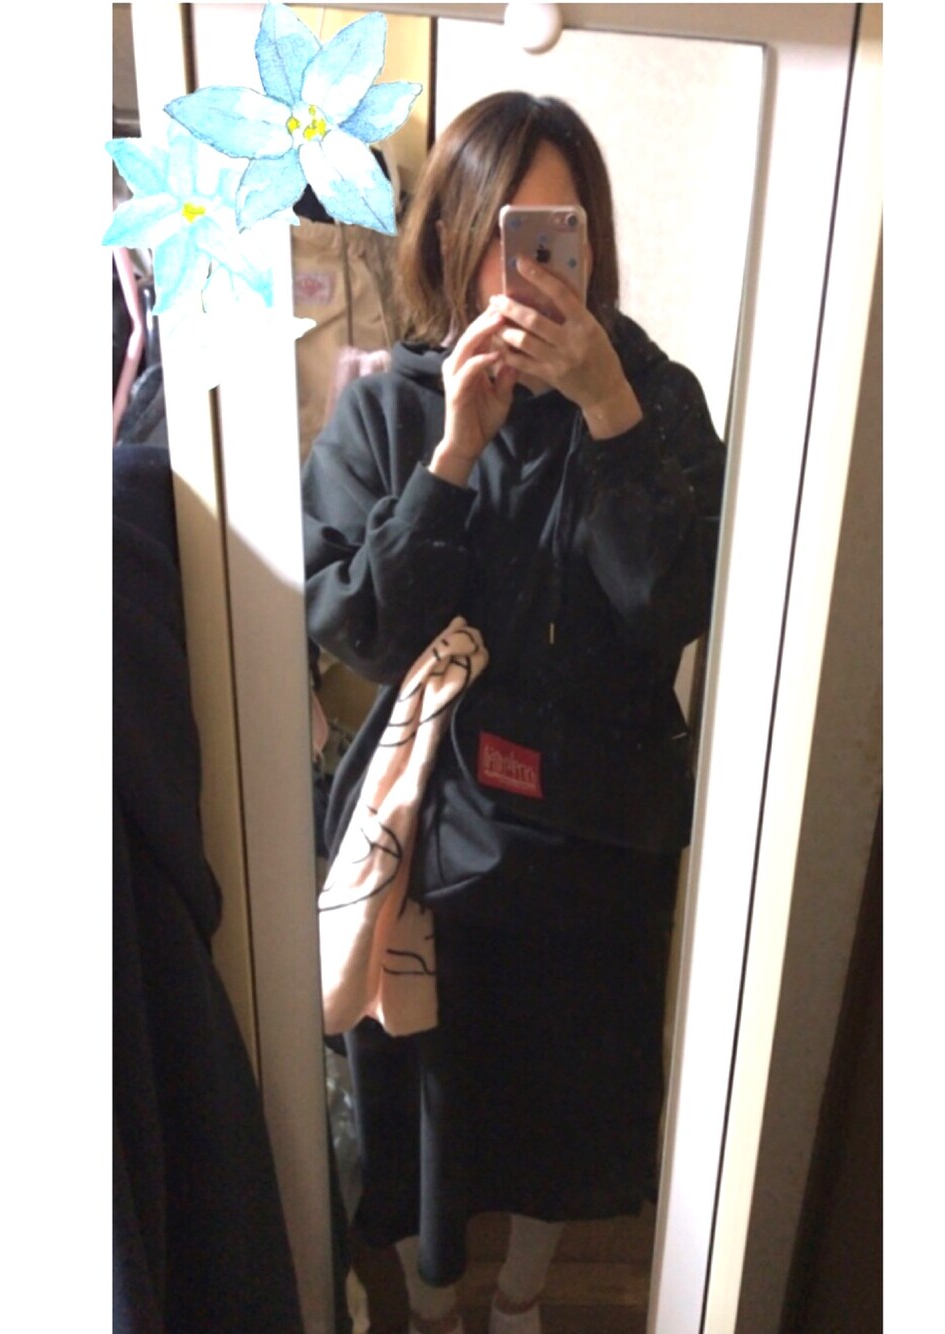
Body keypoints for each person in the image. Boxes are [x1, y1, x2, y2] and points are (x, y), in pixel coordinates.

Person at [302, 92, 727, 1334]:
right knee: (428, 1113)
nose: (528, 269)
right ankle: (437, 1306)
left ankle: (522, 1301)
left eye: (558, 234)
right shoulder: (390, 406)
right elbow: (358, 630)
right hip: (436, 845)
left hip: (598, 841)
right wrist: (450, 456)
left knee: (567, 1117)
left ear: (593, 243)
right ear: (450, 236)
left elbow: (675, 606)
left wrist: (608, 413)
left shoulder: (654, 396)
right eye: (504, 233)